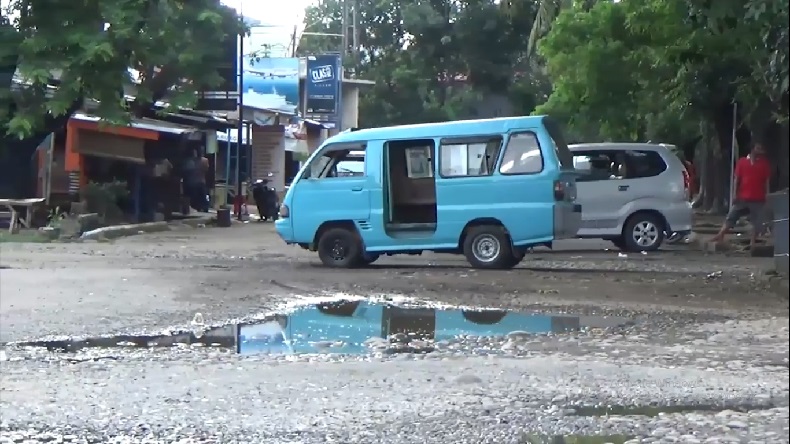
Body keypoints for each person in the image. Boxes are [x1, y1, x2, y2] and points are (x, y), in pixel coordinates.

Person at [710, 143, 771, 249]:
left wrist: (767, 195)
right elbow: (737, 179)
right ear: (752, 149)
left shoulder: (764, 163)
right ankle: (720, 235)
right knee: (732, 216)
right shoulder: (742, 162)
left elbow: (766, 181)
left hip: (758, 197)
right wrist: (734, 194)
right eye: (758, 148)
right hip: (743, 196)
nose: (761, 151)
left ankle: (753, 242)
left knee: (756, 221)